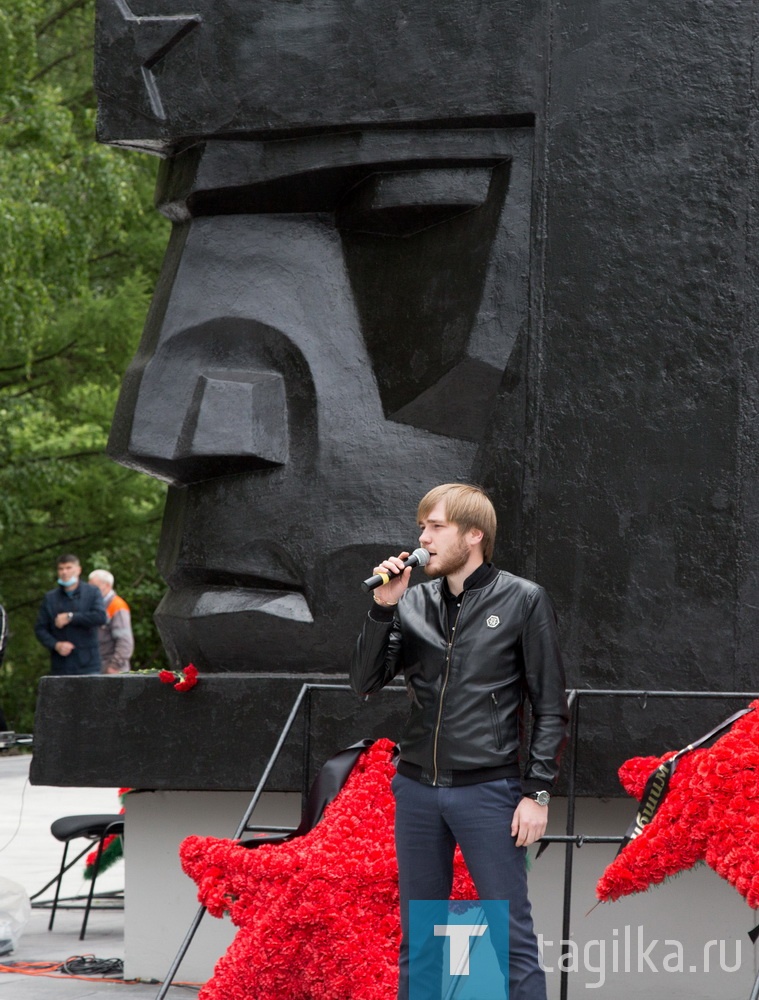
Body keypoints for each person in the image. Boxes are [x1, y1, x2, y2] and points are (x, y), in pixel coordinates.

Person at [351, 483, 569, 1000]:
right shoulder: (415, 600)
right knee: (419, 940)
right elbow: (364, 682)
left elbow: (550, 705)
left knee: (509, 938)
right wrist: (384, 608)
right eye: (422, 526)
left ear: (473, 536)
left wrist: (536, 792)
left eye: (435, 527)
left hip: (488, 791)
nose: (422, 538)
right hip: (418, 791)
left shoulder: (523, 599)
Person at [34, 555, 107, 675]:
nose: (64, 572)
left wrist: (71, 617)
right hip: (61, 665)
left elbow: (100, 617)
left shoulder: (92, 592)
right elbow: (40, 629)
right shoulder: (50, 598)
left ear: (78, 570)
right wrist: (56, 645)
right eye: (61, 569)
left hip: (88, 664)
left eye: (68, 568)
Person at [88, 570, 135, 673]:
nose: (90, 591)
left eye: (94, 587)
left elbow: (125, 641)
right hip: (96, 666)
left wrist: (115, 666)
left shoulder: (117, 605)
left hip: (112, 669)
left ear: (107, 586)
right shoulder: (95, 605)